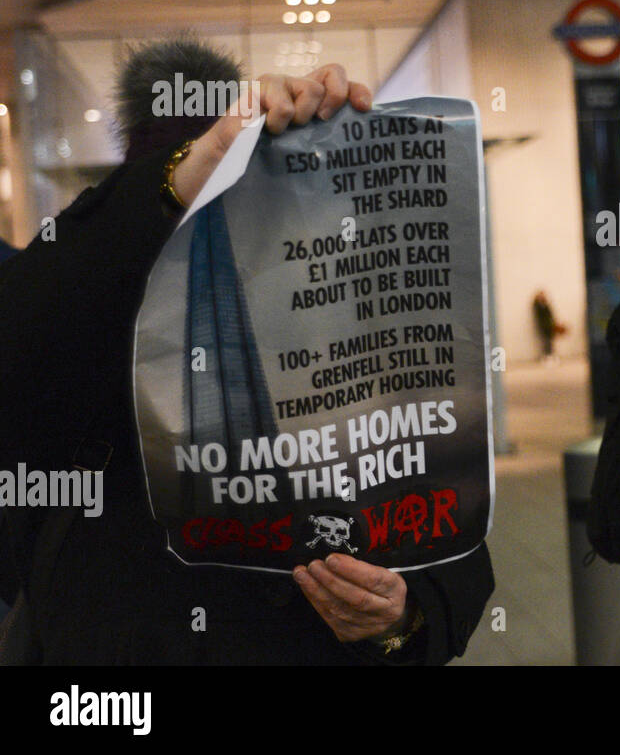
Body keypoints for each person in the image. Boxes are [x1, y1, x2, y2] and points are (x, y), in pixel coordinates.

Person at [0, 37, 493, 664]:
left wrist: (398, 621)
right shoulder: (77, 292)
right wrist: (180, 179)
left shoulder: (336, 322)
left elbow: (443, 537)